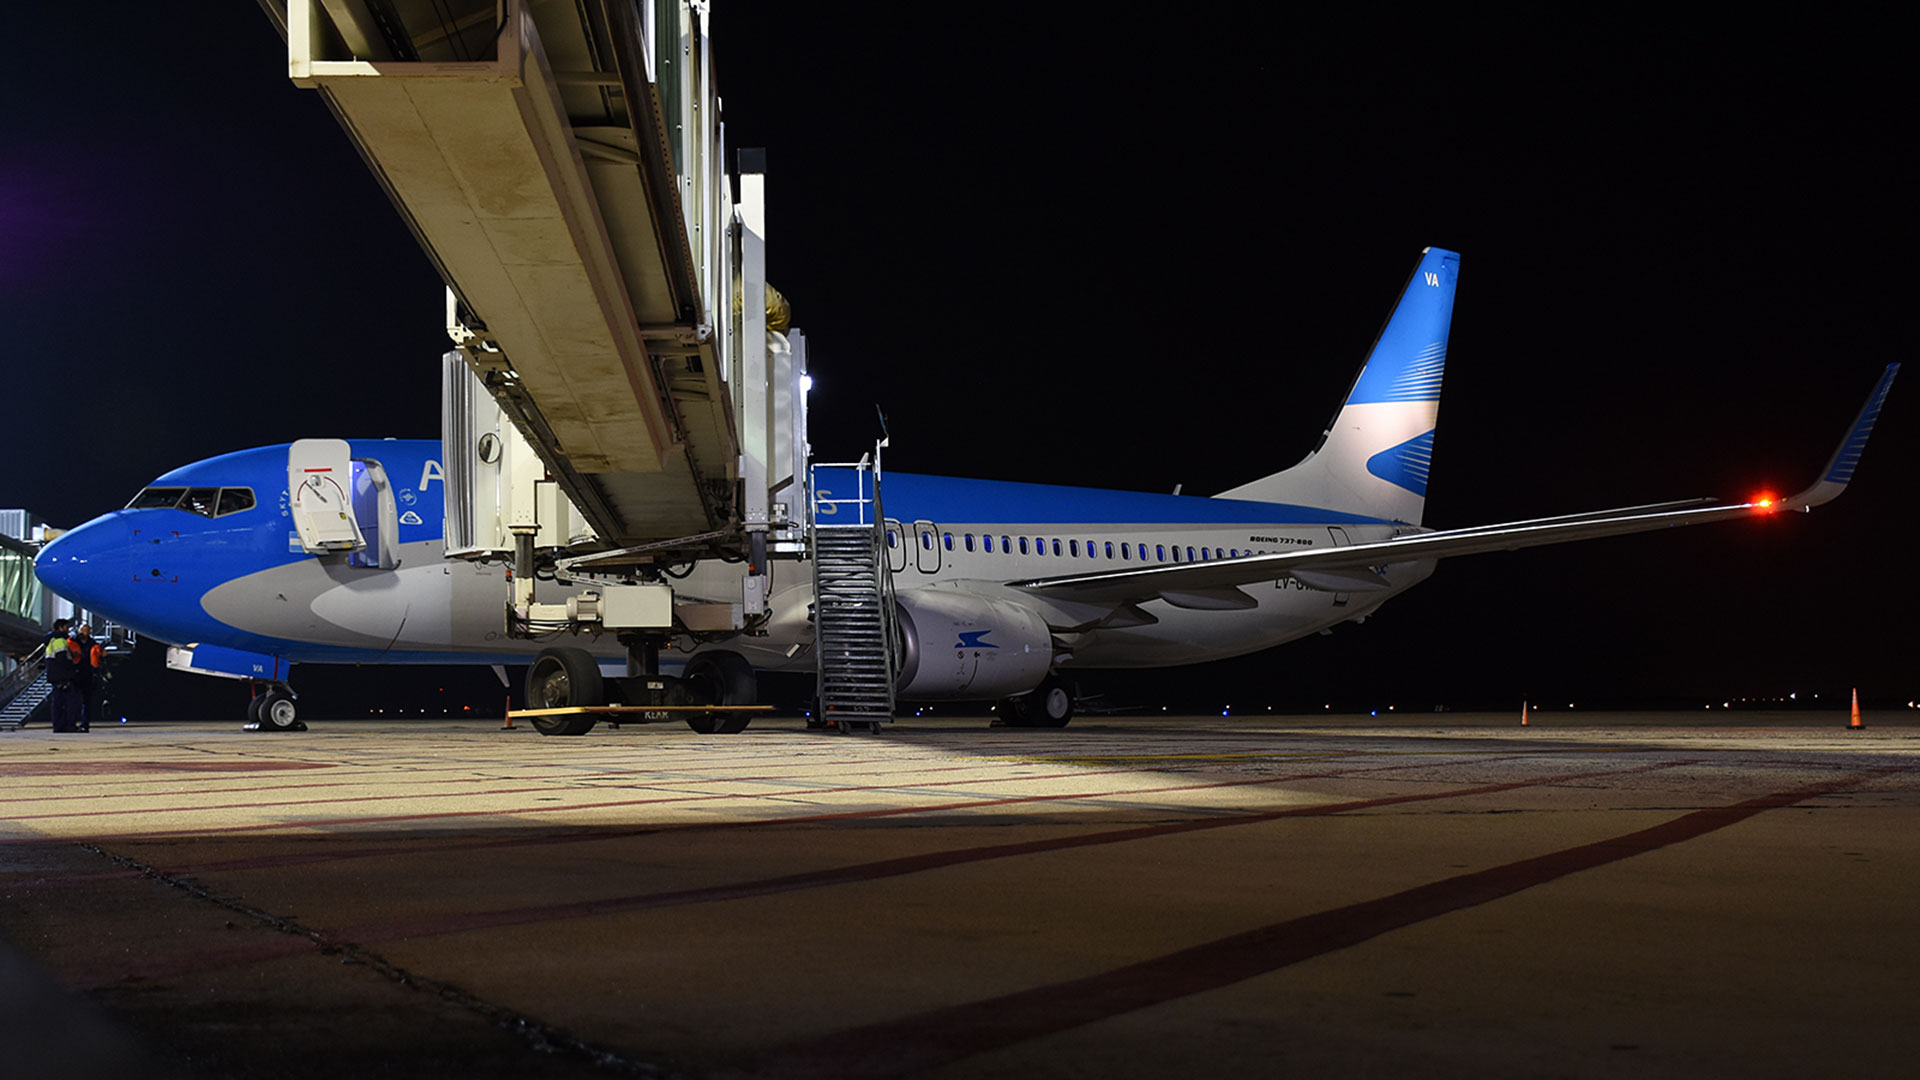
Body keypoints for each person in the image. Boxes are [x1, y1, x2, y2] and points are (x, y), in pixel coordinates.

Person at [42, 619, 84, 733]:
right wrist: (72, 667)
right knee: (71, 702)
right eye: (66, 627)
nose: (68, 630)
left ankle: (58, 726)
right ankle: (70, 725)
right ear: (60, 628)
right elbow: (62, 659)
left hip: (54, 677)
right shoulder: (60, 641)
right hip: (63, 676)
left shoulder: (51, 641)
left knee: (58, 703)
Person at [68, 623, 98, 732]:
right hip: (75, 675)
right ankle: (72, 723)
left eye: (86, 631)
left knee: (86, 702)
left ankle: (85, 724)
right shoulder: (73, 642)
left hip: (87, 675)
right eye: (82, 630)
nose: (83, 633)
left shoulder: (93, 644)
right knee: (73, 701)